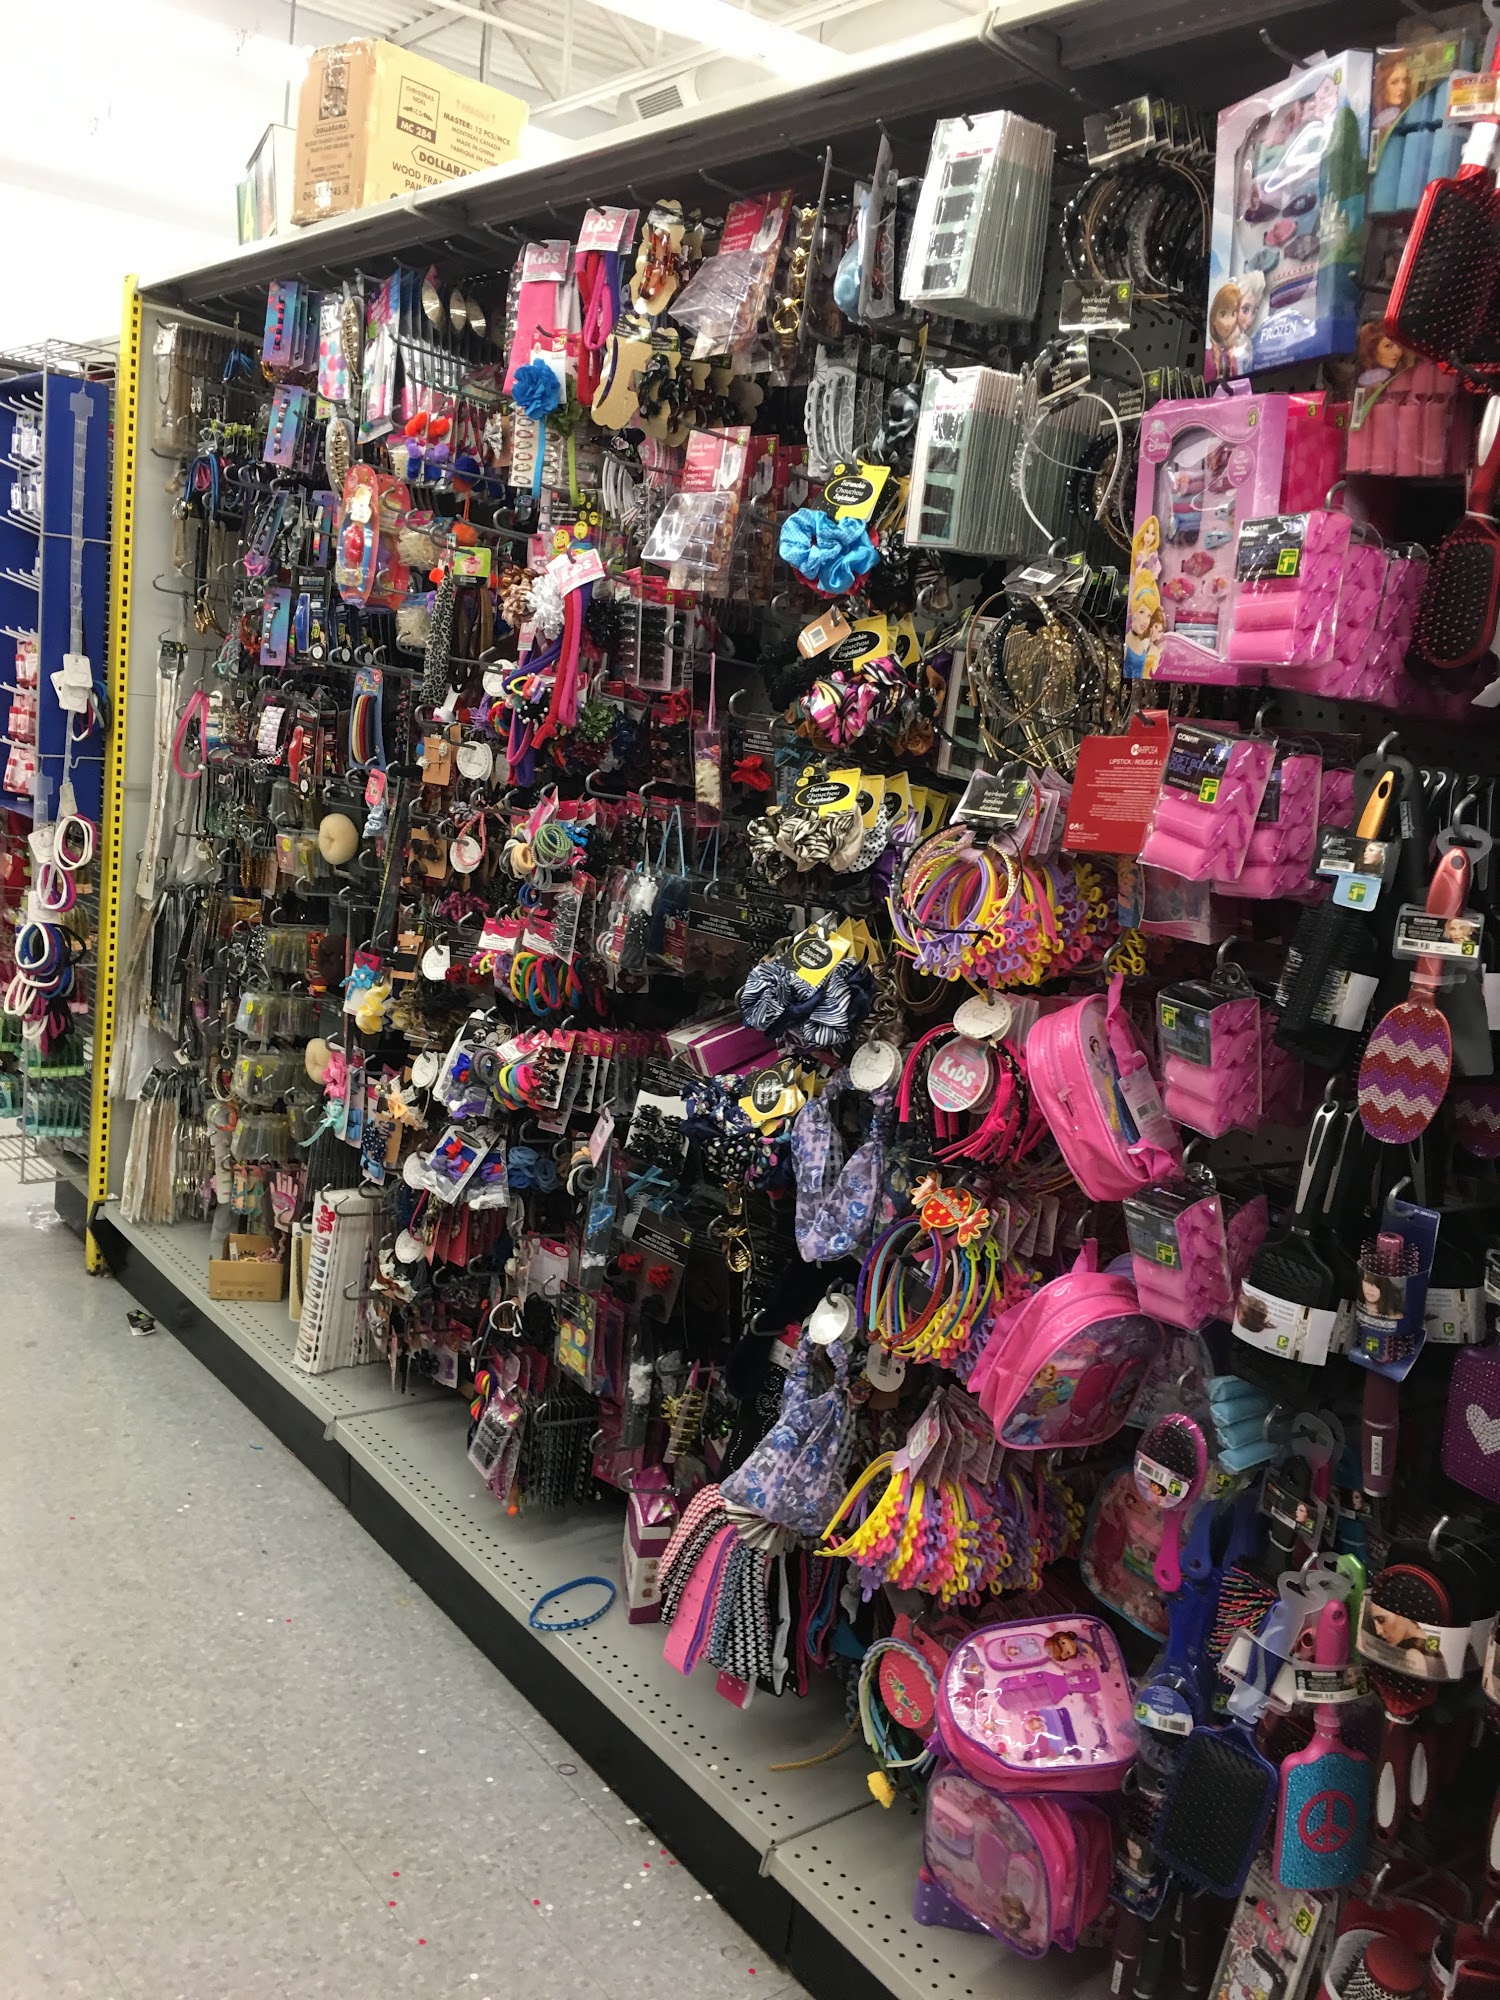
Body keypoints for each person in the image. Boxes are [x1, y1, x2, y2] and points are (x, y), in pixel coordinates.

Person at [1208, 282, 1242, 378]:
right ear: (1213, 318)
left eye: (1233, 313)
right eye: (1222, 314)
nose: (1228, 323)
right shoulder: (1208, 357)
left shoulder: (1235, 355)